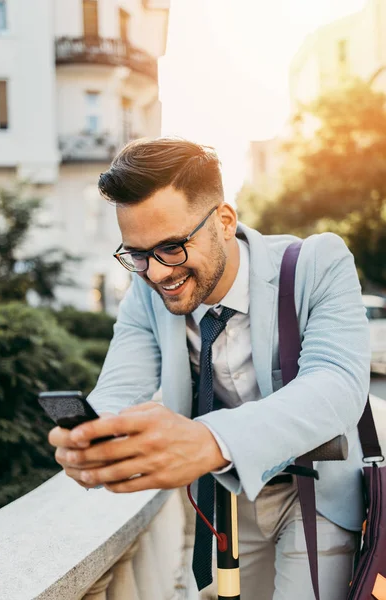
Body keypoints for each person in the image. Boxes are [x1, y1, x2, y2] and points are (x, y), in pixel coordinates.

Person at [49, 137, 371, 599]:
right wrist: (90, 440)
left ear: (224, 221)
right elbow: (119, 388)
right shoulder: (145, 293)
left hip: (318, 493)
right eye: (138, 254)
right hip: (230, 502)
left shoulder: (318, 261)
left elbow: (338, 385)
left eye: (172, 247)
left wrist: (212, 440)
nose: (158, 272)